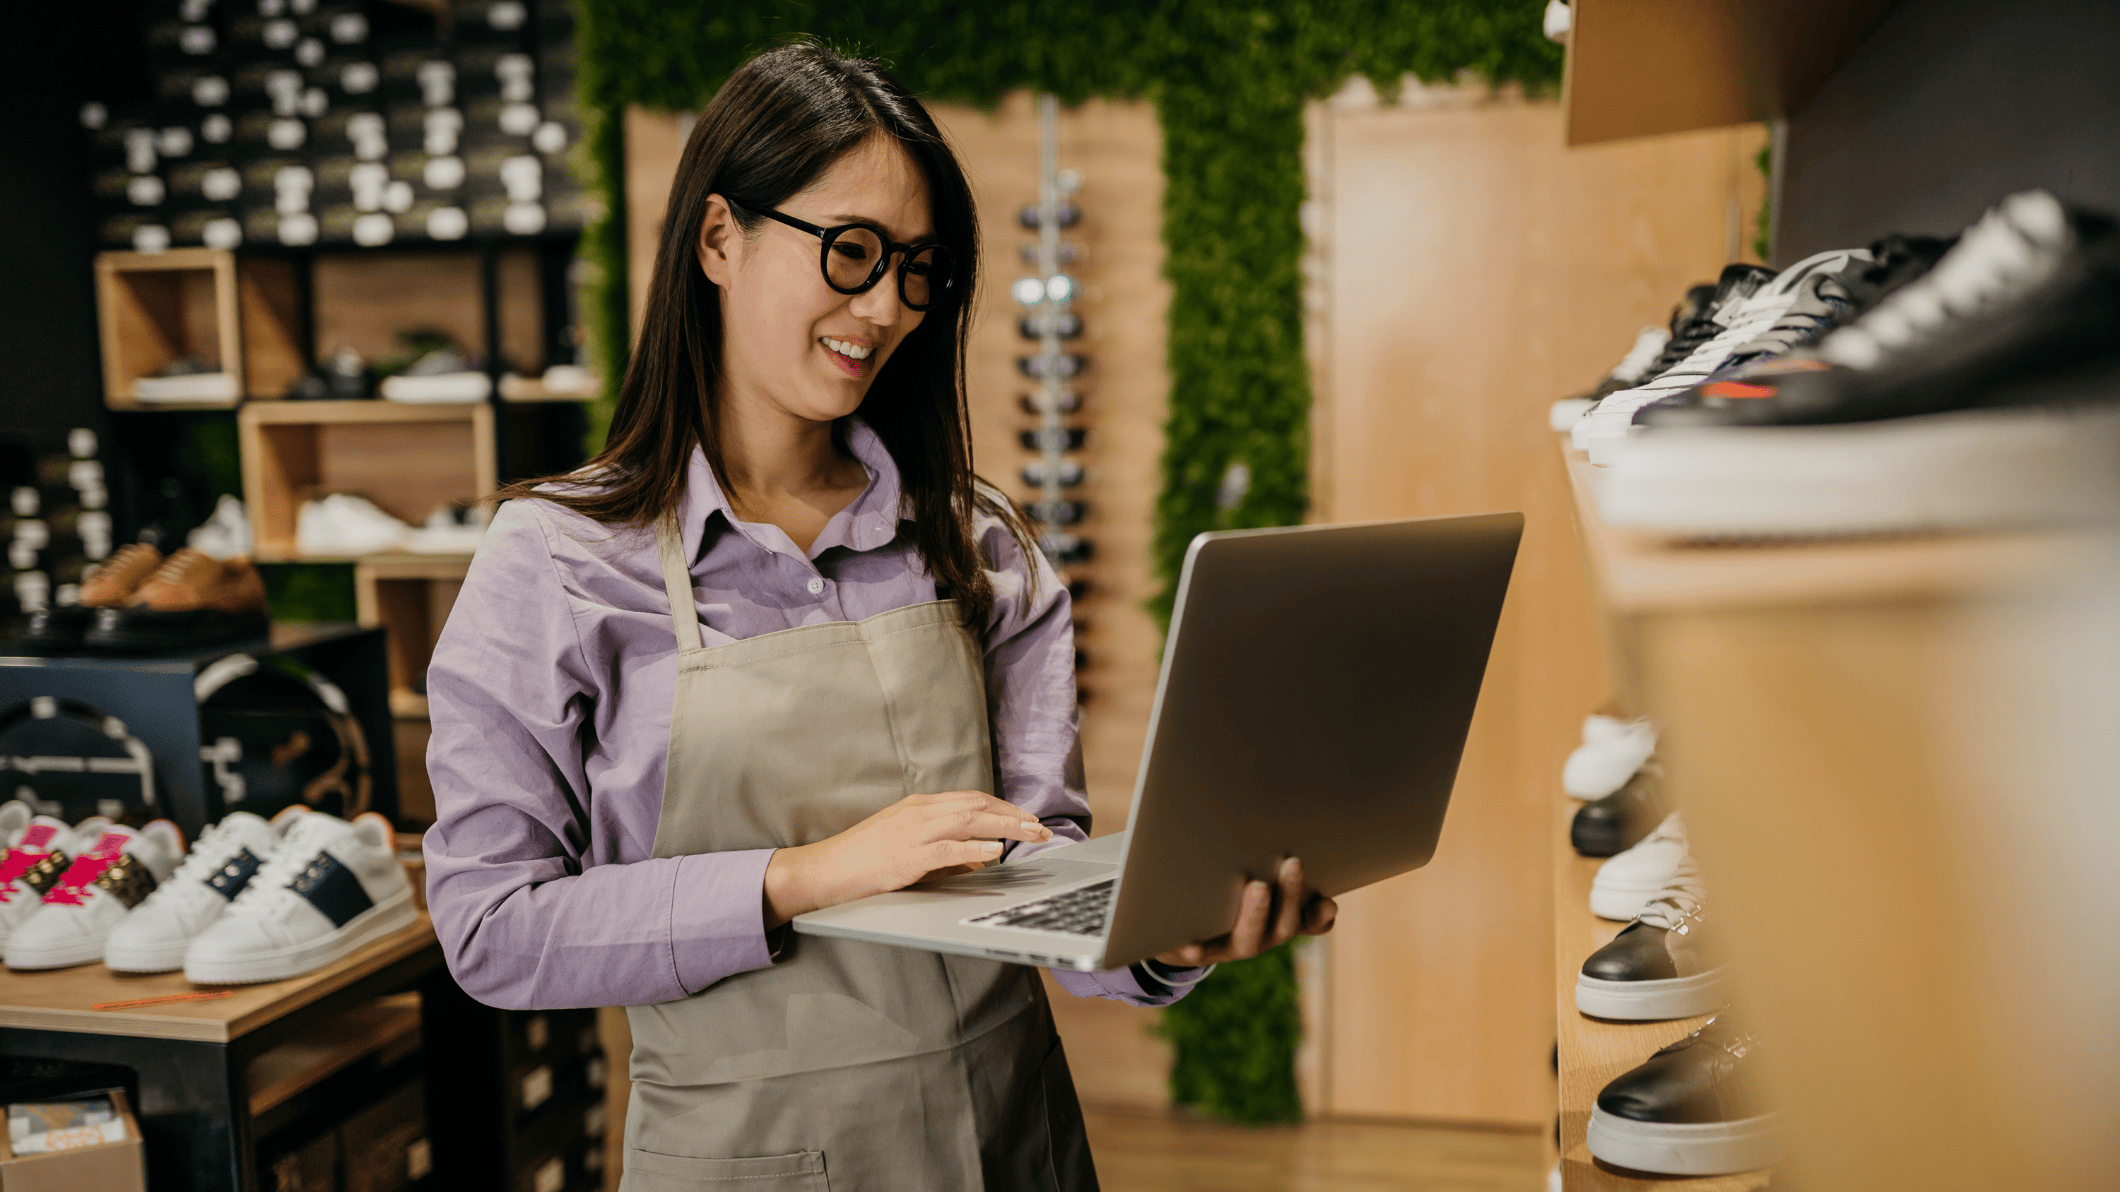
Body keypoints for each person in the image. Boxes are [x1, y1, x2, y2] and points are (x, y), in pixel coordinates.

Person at [422, 41, 1337, 1191]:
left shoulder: (977, 541)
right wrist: (802, 875)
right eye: (850, 253)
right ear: (718, 239)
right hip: (739, 1157)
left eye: (916, 270)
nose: (886, 306)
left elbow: (1031, 875)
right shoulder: (555, 562)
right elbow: (492, 929)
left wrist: (1160, 939)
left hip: (1011, 1135)